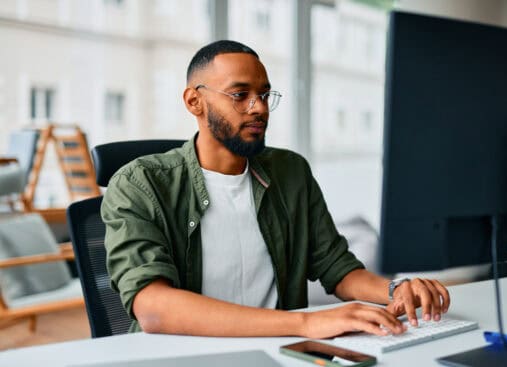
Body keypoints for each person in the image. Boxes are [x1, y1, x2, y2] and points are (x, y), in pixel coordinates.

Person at [102, 40, 450, 338]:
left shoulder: (290, 172)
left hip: (277, 351)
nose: (260, 108)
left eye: (265, 94)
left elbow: (337, 268)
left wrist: (396, 289)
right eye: (240, 95)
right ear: (195, 101)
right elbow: (153, 308)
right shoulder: (140, 184)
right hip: (185, 355)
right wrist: (304, 323)